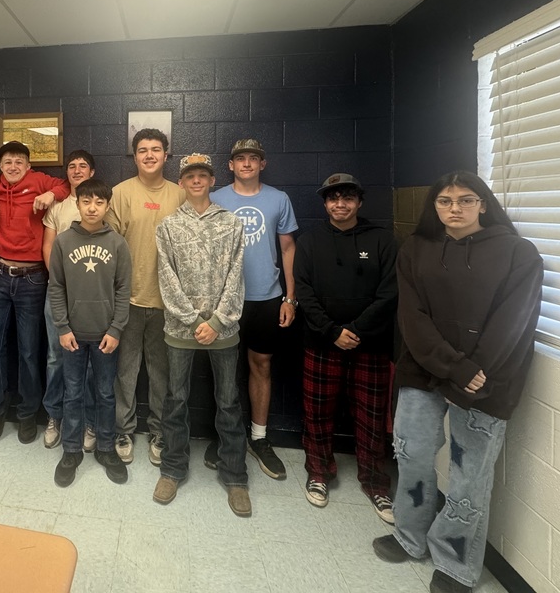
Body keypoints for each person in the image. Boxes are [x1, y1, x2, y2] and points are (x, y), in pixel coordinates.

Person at [372, 171, 543, 593]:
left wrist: (471, 370)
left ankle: (455, 562)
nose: (454, 209)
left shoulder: (519, 253)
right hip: (423, 371)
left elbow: (513, 322)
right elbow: (413, 318)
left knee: (470, 475)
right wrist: (453, 366)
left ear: (483, 204)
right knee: (411, 455)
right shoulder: (417, 248)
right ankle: (410, 537)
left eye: (465, 200)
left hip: (484, 381)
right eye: (445, 202)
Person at [294, 173, 397, 520]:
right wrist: (332, 331)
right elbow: (303, 292)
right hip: (322, 342)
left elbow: (389, 294)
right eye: (333, 198)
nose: (340, 203)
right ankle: (319, 473)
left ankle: (375, 483)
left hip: (371, 345)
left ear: (359, 202)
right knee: (317, 413)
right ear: (325, 203)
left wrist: (355, 330)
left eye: (347, 197)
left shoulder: (383, 240)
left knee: (370, 416)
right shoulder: (309, 242)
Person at [153, 154, 250, 517]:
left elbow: (236, 274)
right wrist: (194, 321)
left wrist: (218, 320)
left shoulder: (231, 223)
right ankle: (173, 469)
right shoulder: (168, 226)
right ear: (181, 182)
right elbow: (167, 277)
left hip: (223, 328)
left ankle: (235, 476)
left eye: (202, 176)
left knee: (228, 402)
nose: (196, 181)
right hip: (181, 328)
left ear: (212, 180)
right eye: (190, 176)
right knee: (175, 398)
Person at [0, 141, 69, 443]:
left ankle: (27, 414)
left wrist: (50, 194)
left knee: (28, 351)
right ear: (0, 165)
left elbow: (64, 185)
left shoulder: (38, 181)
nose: (13, 167)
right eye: (7, 161)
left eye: (19, 162)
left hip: (33, 278)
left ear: (28, 165)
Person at [209, 138, 298, 479]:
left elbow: (288, 249)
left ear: (262, 164)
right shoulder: (216, 199)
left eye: (253, 158)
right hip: (225, 300)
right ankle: (225, 435)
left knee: (260, 365)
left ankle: (258, 438)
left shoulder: (278, 199)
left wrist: (290, 297)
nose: (246, 163)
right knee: (224, 368)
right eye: (240, 159)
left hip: (265, 298)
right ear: (230, 165)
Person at [105, 128, 184, 465]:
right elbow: (110, 247)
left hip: (168, 304)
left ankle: (159, 432)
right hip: (129, 302)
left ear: (167, 155)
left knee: (161, 374)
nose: (149, 155)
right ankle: (123, 429)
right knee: (125, 371)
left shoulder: (181, 195)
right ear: (134, 156)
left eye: (155, 149)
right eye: (142, 150)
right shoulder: (121, 193)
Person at [48, 178, 132, 487]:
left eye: (99, 202)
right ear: (78, 204)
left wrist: (116, 328)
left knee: (106, 393)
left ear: (107, 206)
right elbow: (55, 286)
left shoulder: (118, 243)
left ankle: (106, 448)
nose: (92, 207)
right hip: (72, 335)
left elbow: (124, 289)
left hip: (106, 335)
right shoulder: (63, 241)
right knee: (73, 393)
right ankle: (71, 450)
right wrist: (62, 326)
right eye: (87, 201)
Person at [41, 149, 97, 450]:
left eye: (83, 166)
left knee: (89, 363)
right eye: (72, 166)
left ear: (92, 172)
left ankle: (89, 420)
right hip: (59, 293)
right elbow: (47, 247)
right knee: (55, 356)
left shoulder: (101, 202)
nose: (76, 170)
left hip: (92, 298)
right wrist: (62, 283)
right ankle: (55, 416)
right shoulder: (58, 207)